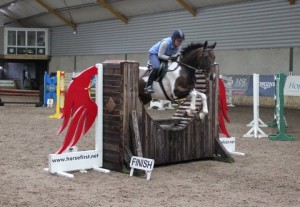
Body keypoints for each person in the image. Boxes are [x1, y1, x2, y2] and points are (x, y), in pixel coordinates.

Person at [144, 29, 185, 94]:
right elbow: (160, 55)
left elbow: (176, 55)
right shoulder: (165, 43)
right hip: (155, 54)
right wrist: (171, 58)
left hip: (166, 56)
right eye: (179, 41)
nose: (180, 43)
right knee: (156, 67)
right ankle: (148, 86)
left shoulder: (179, 46)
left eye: (181, 41)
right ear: (174, 39)